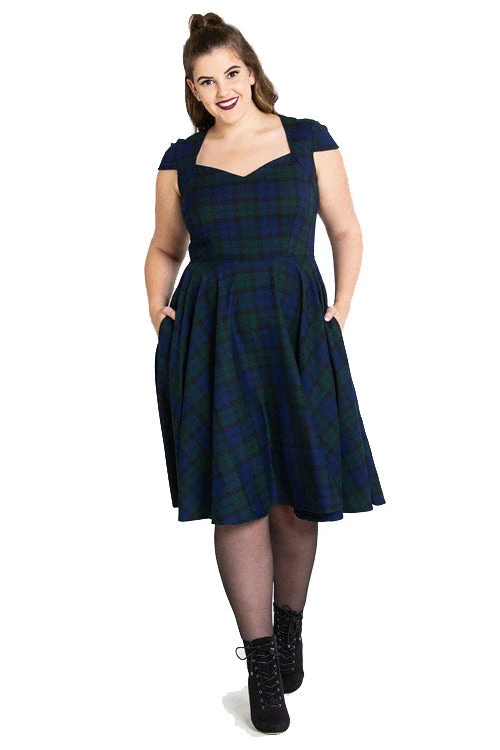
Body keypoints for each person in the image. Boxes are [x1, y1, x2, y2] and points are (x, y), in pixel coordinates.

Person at [144, 12, 387, 735]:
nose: (221, 88)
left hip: (295, 333)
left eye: (230, 72)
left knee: (296, 501)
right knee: (238, 502)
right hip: (214, 340)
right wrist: (158, 310)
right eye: (204, 80)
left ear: (250, 71)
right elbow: (164, 248)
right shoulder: (181, 160)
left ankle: (289, 626)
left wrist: (342, 304)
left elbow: (345, 228)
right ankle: (259, 664)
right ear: (192, 89)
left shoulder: (308, 139)